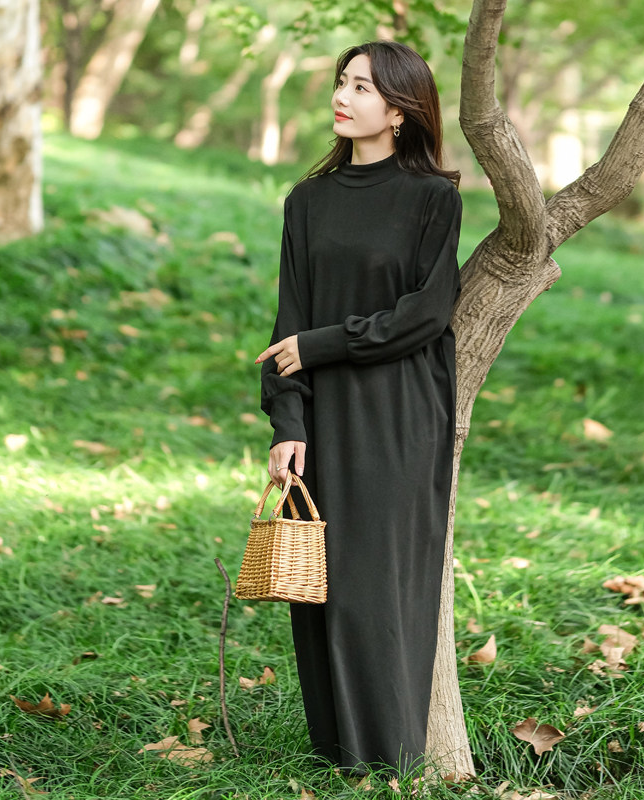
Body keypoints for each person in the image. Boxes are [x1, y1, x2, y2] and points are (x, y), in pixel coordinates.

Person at [254, 39, 462, 777]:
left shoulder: (433, 198)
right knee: (320, 586)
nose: (343, 97)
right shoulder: (307, 201)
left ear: (401, 112)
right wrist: (287, 421)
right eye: (342, 82)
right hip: (322, 415)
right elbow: (287, 321)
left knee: (375, 586)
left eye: (363, 87)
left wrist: (325, 344)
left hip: (399, 412)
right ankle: (338, 754)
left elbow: (426, 314)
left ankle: (391, 759)